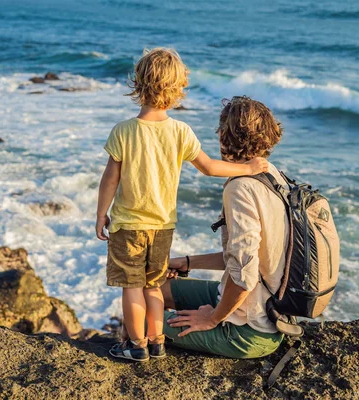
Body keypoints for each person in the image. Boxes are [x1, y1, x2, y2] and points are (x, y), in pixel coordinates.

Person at [96, 49, 269, 362]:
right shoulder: (181, 131)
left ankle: (136, 346)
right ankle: (158, 341)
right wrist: (247, 168)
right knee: (153, 285)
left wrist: (100, 214)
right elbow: (209, 167)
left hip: (128, 226)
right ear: (177, 91)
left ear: (138, 85)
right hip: (162, 227)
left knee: (131, 287)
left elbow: (110, 178)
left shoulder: (123, 131)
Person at [163, 96, 288, 359]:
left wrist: (212, 318)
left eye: (221, 129)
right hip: (269, 310)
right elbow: (248, 259)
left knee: (140, 321)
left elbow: (244, 276)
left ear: (225, 136)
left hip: (249, 330)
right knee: (153, 288)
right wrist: (185, 262)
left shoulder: (240, 188)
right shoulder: (273, 176)